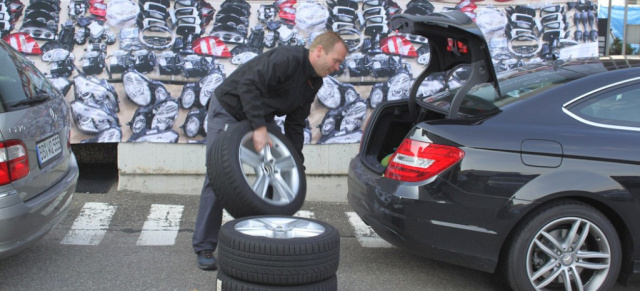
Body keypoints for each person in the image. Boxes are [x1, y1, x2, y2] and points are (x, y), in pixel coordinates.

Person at [192, 31, 348, 270]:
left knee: (278, 172)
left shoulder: (314, 81)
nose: (337, 67)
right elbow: (248, 84)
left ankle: (262, 246)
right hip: (230, 109)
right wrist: (259, 127)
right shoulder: (286, 59)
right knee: (219, 174)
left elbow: (296, 124)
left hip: (261, 117)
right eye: (336, 61)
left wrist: (295, 162)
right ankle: (204, 246)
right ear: (319, 52)